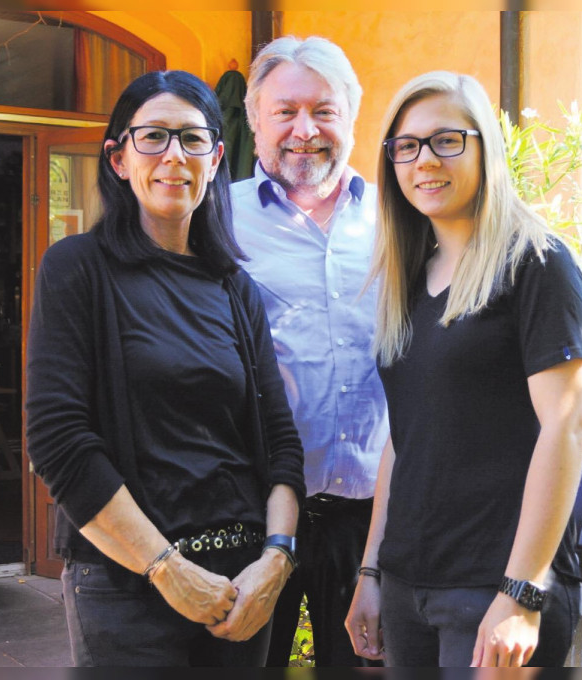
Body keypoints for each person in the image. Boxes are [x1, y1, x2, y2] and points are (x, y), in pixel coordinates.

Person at [25, 69, 305, 667]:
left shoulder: (236, 289)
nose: (174, 156)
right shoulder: (77, 269)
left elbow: (280, 441)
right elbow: (59, 442)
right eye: (153, 137)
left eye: (193, 139)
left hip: (242, 588)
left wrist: (277, 559)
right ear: (119, 159)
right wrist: (167, 569)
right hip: (129, 588)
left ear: (217, 158)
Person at [344, 71, 582, 667]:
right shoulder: (407, 276)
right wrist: (373, 570)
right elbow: (404, 439)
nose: (424, 160)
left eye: (446, 140)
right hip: (409, 587)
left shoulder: (536, 263)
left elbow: (567, 426)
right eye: (406, 146)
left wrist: (523, 592)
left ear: (486, 147)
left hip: (493, 590)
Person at [231, 36, 389, 668]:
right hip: (258, 508)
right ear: (255, 121)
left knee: (361, 666)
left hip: (373, 516)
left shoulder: (396, 220)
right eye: (285, 112)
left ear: (351, 117)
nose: (306, 130)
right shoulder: (216, 218)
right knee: (254, 666)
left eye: (324, 111)